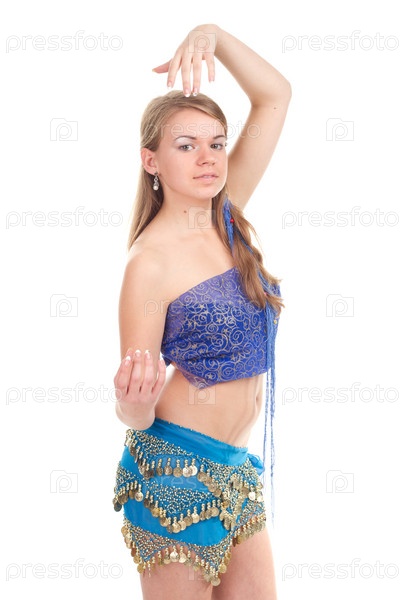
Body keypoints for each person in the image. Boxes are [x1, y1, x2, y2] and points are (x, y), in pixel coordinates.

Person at [112, 23, 291, 600]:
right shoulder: (150, 262)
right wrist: (132, 403)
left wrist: (215, 35)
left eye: (216, 143)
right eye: (186, 146)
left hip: (237, 469)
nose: (208, 158)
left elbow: (275, 95)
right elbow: (134, 408)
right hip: (175, 469)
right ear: (152, 161)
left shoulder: (224, 214)